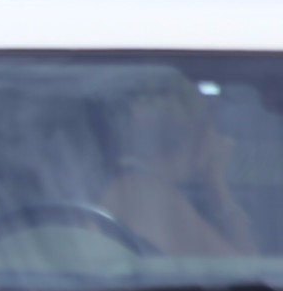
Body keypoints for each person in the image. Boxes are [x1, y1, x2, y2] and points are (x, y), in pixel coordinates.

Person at [98, 75, 257, 257]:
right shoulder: (146, 194)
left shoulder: (135, 186)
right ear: (202, 132)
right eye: (216, 128)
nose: (225, 141)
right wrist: (220, 187)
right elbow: (248, 271)